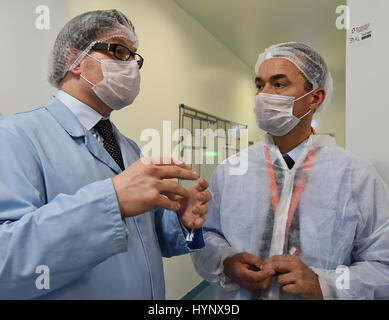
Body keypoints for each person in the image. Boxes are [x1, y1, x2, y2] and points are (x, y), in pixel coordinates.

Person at [0, 9, 212, 299]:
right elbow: (6, 261)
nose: (131, 67)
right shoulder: (14, 136)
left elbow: (143, 240)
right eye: (119, 52)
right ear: (73, 59)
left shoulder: (128, 148)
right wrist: (111, 201)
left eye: (133, 57)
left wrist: (181, 221)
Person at [191, 42, 389, 300]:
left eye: (279, 84)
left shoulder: (355, 175)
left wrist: (326, 285)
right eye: (260, 85)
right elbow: (204, 235)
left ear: (315, 98)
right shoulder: (231, 171)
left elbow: (382, 265)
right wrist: (226, 262)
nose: (264, 95)